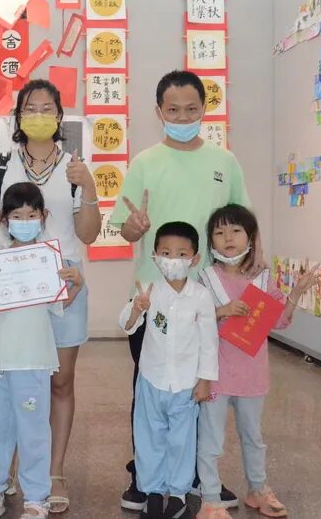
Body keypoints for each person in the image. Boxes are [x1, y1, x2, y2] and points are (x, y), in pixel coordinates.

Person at [109, 70, 256, 511]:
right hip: (152, 297)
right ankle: (145, 477)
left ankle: (198, 476)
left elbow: (243, 225)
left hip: (208, 297)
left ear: (204, 109)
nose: (183, 117)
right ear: (159, 112)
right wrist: (134, 227)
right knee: (149, 388)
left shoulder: (225, 162)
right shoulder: (144, 163)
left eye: (191, 109)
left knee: (202, 388)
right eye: (173, 110)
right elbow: (124, 228)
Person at [0, 80, 99, 513]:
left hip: (63, 283)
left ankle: (53, 472)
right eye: (31, 108)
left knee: (59, 381)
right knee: (10, 377)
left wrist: (89, 187)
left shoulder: (74, 168)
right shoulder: (0, 165)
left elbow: (89, 234)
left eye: (48, 108)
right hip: (10, 285)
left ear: (60, 116)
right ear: (18, 115)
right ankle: (6, 474)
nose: (39, 115)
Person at [196, 205, 321, 519]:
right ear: (211, 241)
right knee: (210, 440)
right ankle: (210, 499)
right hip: (214, 373)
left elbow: (278, 321)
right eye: (220, 232)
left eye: (236, 231)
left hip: (252, 374)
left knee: (253, 436)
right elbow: (192, 320)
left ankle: (258, 490)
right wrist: (222, 311)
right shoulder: (206, 278)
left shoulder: (263, 279)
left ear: (250, 237)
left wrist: (295, 293)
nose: (228, 238)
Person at [0, 182, 84, 519]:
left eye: (31, 215)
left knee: (34, 430)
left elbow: (58, 305)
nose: (24, 221)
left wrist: (77, 284)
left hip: (34, 358)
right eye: (16, 216)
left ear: (43, 217)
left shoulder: (49, 261)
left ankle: (36, 496)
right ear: (5, 221)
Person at [120, 222, 218, 519]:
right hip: (152, 381)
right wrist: (137, 308)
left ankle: (177, 494)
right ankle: (152, 491)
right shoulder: (148, 292)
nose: (173, 259)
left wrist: (205, 380)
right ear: (155, 256)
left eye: (181, 253)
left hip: (186, 384)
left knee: (182, 440)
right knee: (149, 437)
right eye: (166, 253)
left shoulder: (201, 296)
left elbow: (209, 342)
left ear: (195, 259)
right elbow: (127, 325)